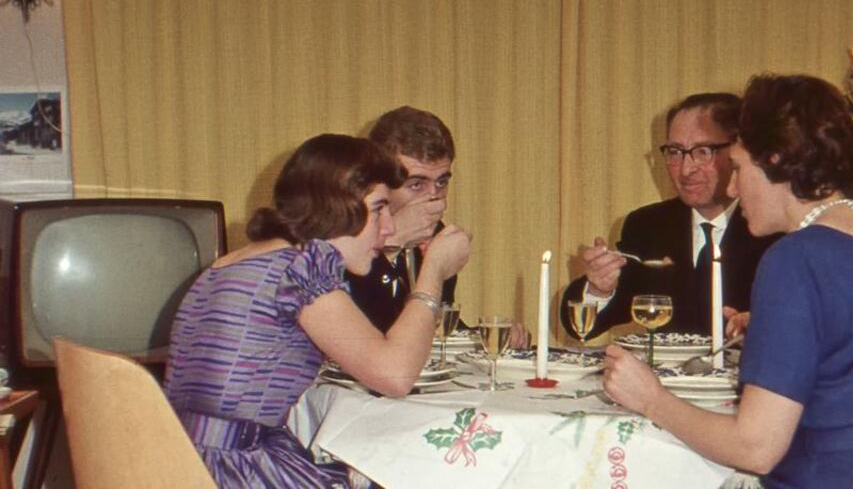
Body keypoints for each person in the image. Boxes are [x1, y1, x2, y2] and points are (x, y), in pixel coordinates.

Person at [602, 74, 853, 488]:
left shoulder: (795, 258)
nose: (732, 186)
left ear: (773, 160)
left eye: (737, 167)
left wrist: (652, 399)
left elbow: (755, 448)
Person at [163, 134, 471, 489]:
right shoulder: (300, 270)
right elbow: (395, 376)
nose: (388, 227)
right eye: (378, 209)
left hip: (184, 463)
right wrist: (433, 271)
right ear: (336, 206)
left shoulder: (234, 263)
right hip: (234, 472)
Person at [559, 93, 776, 340]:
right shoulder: (648, 225)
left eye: (702, 151)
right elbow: (581, 328)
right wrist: (599, 289)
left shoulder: (773, 230)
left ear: (738, 151)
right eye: (675, 152)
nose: (686, 169)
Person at [349, 106, 530, 347]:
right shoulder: (341, 233)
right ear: (378, 181)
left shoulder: (435, 234)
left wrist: (486, 338)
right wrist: (390, 244)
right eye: (416, 184)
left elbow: (433, 325)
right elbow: (358, 334)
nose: (435, 198)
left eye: (442, 182)